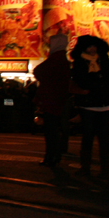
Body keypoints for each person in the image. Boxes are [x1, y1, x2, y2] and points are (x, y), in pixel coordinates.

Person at [70, 34, 109, 179]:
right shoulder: (79, 62)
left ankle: (105, 170)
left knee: (104, 138)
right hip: (88, 105)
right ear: (83, 48)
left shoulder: (104, 59)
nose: (92, 49)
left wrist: (97, 78)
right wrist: (99, 79)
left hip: (105, 104)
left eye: (94, 46)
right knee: (88, 137)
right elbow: (82, 81)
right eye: (89, 46)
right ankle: (85, 168)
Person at [31, 34, 71, 167]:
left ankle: (51, 156)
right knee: (58, 129)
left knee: (50, 130)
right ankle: (56, 154)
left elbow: (38, 70)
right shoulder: (63, 60)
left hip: (51, 99)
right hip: (61, 98)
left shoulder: (55, 59)